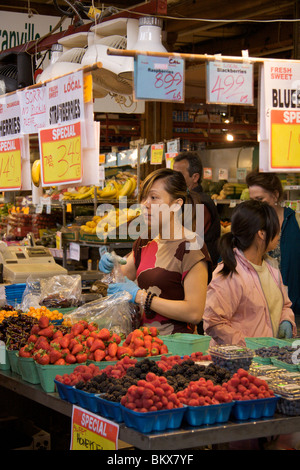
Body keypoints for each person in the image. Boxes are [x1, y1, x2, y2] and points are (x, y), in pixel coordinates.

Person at [99, 168, 211, 335]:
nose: (145, 204)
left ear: (176, 204)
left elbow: (194, 313)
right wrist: (111, 266)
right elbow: (120, 280)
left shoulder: (192, 247)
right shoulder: (145, 241)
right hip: (142, 344)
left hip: (176, 349)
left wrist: (142, 297)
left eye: (154, 197)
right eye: (144, 198)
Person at [203, 200, 296, 346]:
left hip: (266, 360)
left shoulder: (271, 267)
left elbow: (284, 305)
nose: (279, 234)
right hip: (237, 363)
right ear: (261, 233)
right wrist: (248, 345)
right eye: (276, 228)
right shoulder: (230, 273)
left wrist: (286, 320)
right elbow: (214, 322)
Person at [246, 169, 300, 316]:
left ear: (275, 194)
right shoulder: (249, 224)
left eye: (260, 199)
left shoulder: (296, 222)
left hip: (294, 310)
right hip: (257, 311)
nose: (256, 205)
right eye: (252, 200)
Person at [173, 151, 221, 269]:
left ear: (195, 177)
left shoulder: (200, 203)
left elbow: (189, 242)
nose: (173, 179)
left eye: (178, 175)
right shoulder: (185, 199)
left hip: (200, 270)